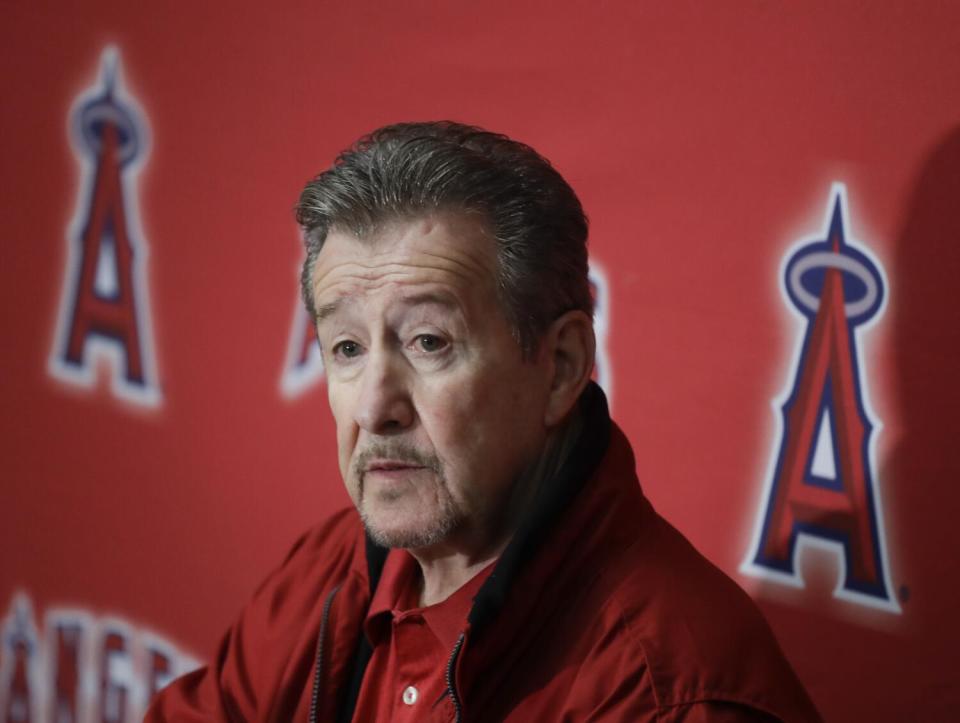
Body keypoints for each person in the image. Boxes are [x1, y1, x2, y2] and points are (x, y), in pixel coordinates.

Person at [146, 122, 821, 722]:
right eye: (346, 347)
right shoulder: (328, 569)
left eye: (428, 342)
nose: (374, 406)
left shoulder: (670, 691)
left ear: (559, 366)